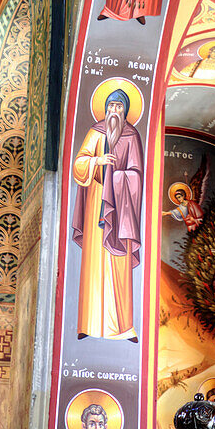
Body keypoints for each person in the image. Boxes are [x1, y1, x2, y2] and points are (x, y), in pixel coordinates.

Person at [72, 88, 143, 341]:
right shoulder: (96, 132)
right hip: (96, 204)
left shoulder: (132, 135)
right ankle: (88, 325)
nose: (114, 111)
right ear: (105, 108)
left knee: (119, 266)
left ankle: (123, 327)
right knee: (93, 264)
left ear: (125, 111)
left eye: (119, 107)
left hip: (120, 209)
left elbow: (137, 175)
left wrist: (119, 179)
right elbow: (79, 163)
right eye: (111, 106)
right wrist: (98, 162)